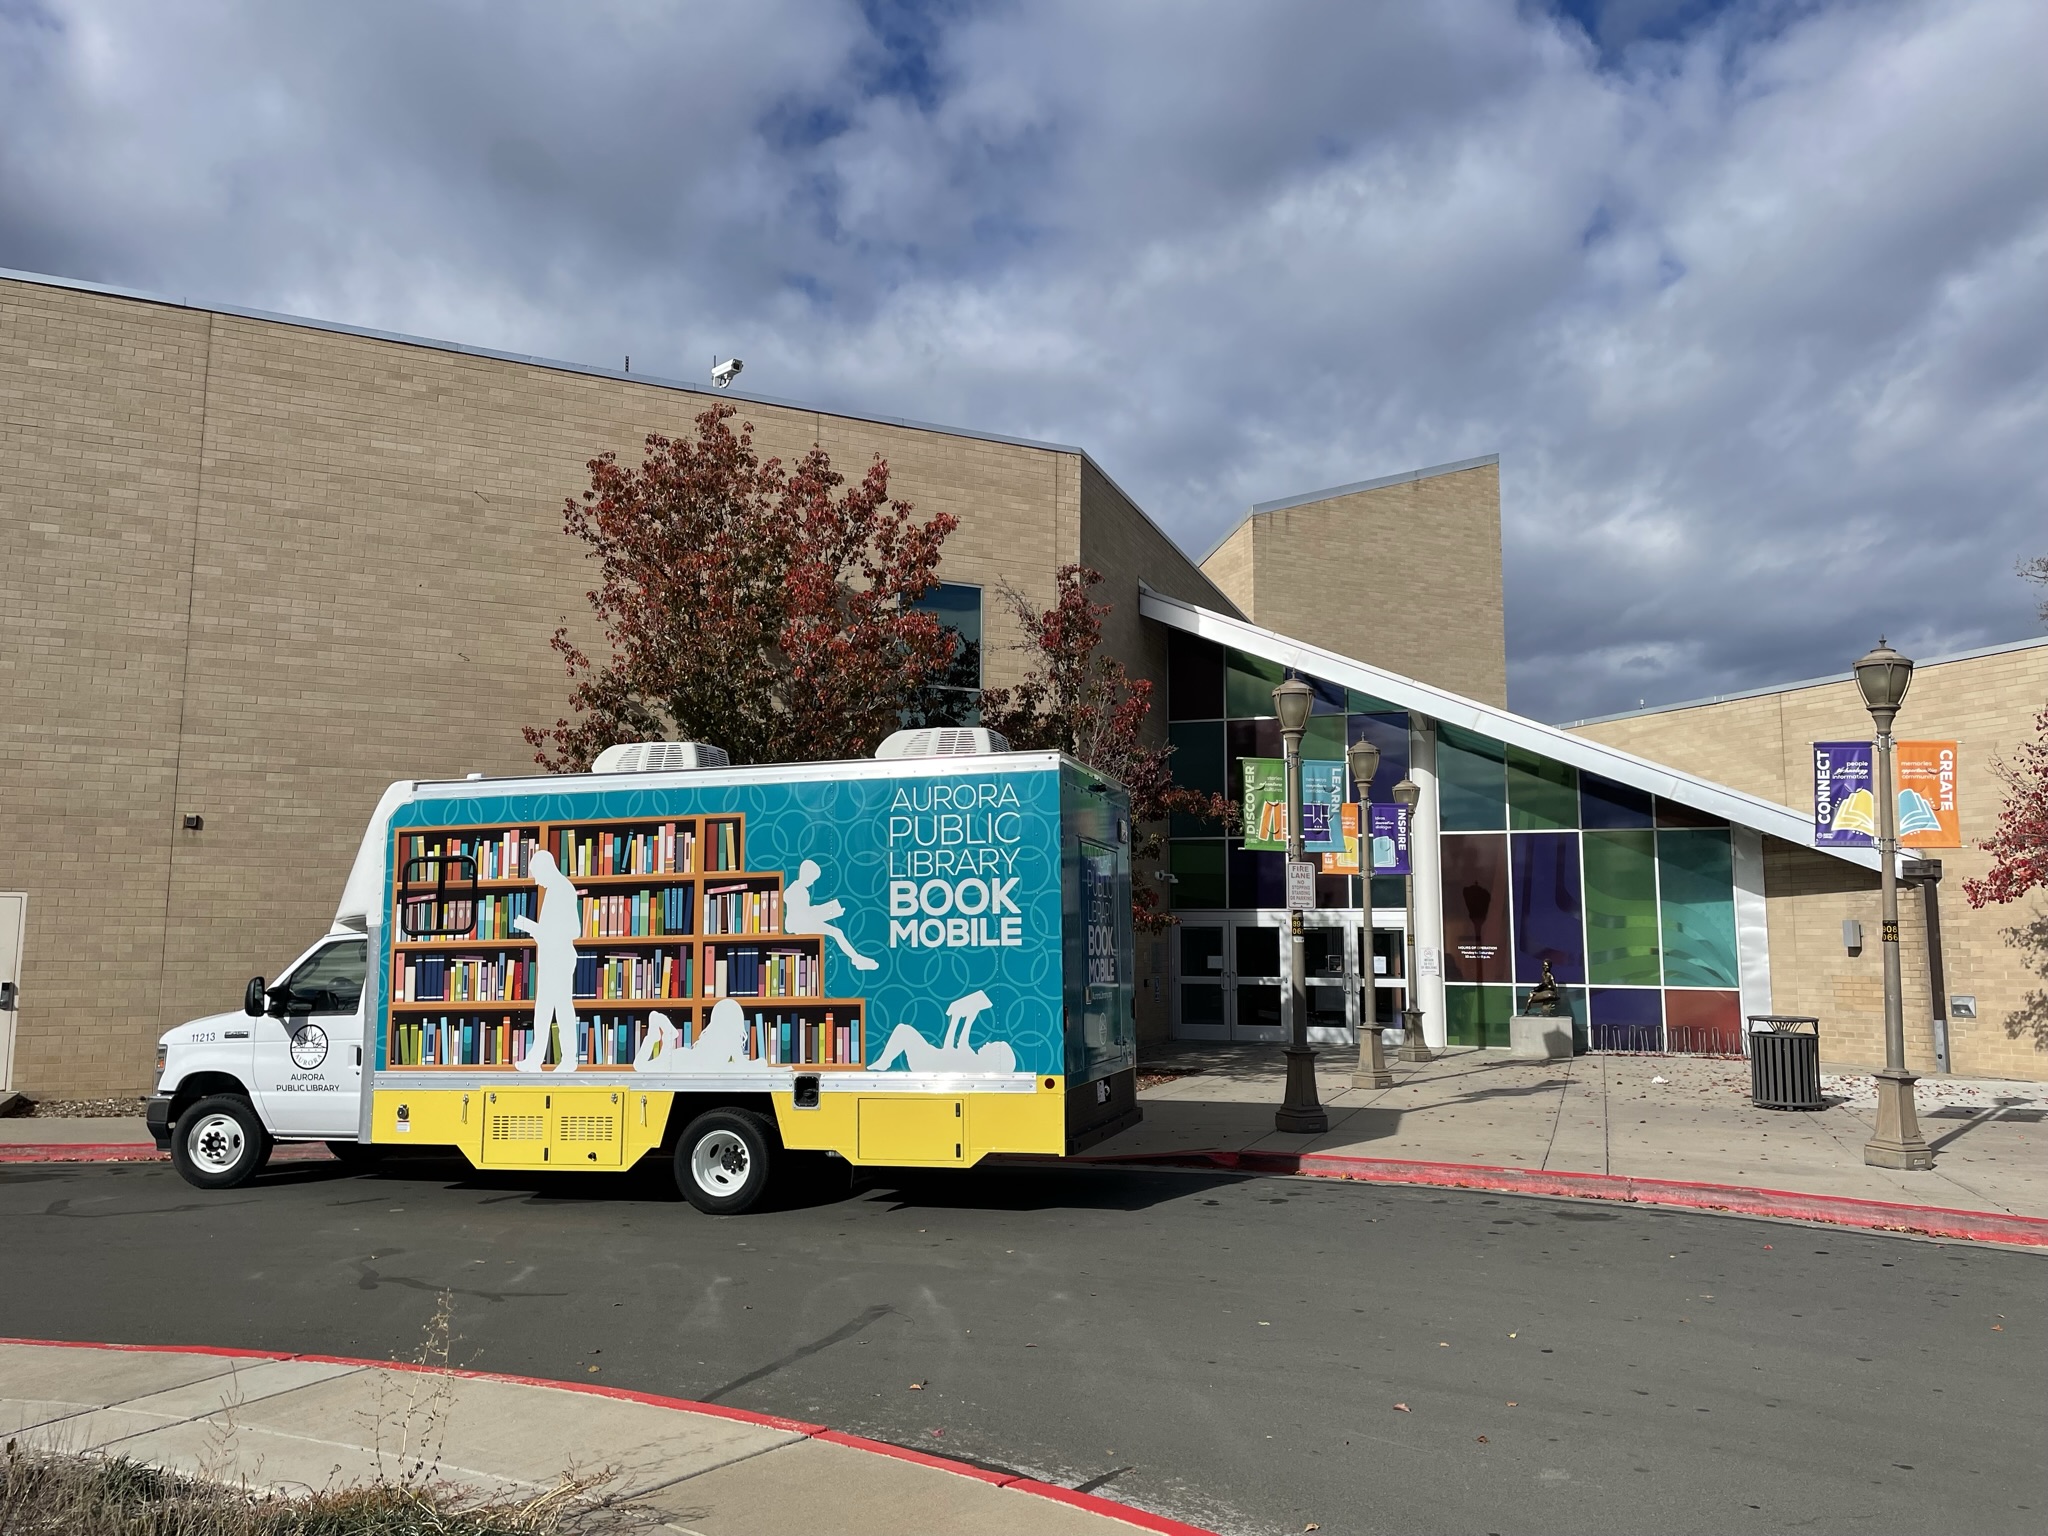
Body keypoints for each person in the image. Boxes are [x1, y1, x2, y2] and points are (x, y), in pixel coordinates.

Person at [513, 849, 582, 1071]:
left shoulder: (562, 889)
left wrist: (535, 929)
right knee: (544, 1010)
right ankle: (537, 1058)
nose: (535, 880)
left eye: (536, 874)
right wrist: (540, 931)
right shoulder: (556, 889)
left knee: (560, 1009)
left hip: (559, 961)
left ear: (546, 868)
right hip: (553, 960)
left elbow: (574, 930)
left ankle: (568, 1059)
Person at [782, 858, 877, 971]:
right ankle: (857, 959)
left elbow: (804, 912)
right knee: (837, 932)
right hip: (800, 925)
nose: (812, 883)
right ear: (805, 874)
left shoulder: (796, 888)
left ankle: (857, 959)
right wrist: (826, 912)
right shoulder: (799, 890)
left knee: (837, 932)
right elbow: (804, 914)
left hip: (800, 923)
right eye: (812, 879)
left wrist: (826, 912)